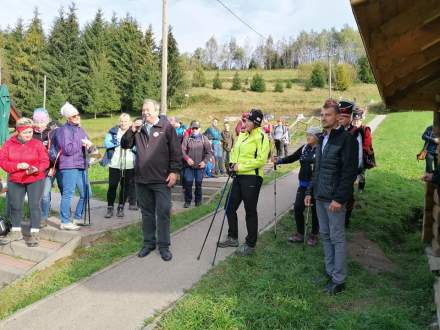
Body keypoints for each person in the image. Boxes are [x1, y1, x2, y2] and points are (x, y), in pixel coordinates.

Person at [305, 99, 358, 295]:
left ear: (338, 117)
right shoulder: (322, 139)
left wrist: (339, 198)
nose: (323, 118)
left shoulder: (347, 140)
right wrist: (310, 191)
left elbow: (349, 172)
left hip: (334, 199)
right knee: (325, 236)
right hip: (320, 196)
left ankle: (339, 279)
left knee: (337, 238)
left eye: (327, 115)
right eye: (322, 115)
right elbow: (317, 169)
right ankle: (330, 272)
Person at [121, 99, 181, 261]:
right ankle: (148, 243)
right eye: (143, 110)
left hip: (161, 179)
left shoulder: (166, 127)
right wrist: (131, 131)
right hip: (142, 179)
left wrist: (174, 172)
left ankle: (164, 246)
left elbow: (176, 151)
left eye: (148, 110)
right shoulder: (138, 129)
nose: (145, 112)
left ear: (156, 111)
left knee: (163, 212)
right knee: (147, 213)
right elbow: (125, 145)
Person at [218, 108, 270, 256]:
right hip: (239, 176)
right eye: (244, 120)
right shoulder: (242, 134)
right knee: (229, 206)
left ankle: (250, 243)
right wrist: (231, 165)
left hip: (252, 177)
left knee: (250, 210)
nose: (244, 123)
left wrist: (240, 166)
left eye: (247, 121)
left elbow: (261, 160)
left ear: (255, 123)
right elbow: (235, 151)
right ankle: (233, 237)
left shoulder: (261, 136)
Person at [0, 118, 49, 246]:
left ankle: (34, 233)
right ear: (18, 132)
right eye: (26, 132)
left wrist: (37, 168)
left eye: (31, 132)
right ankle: (16, 232)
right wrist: (17, 166)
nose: (29, 135)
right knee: (15, 206)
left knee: (34, 205)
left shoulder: (37, 144)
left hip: (35, 178)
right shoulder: (8, 144)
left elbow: (45, 161)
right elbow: (3, 161)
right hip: (15, 179)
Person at [277, 126, 321, 246]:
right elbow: (293, 157)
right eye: (307, 135)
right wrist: (280, 161)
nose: (308, 137)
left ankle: (314, 235)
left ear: (317, 137)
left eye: (310, 135)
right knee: (298, 208)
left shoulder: (321, 150)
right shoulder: (305, 148)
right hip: (303, 184)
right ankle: (300, 233)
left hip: (316, 186)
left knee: (315, 211)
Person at [56, 102, 94, 231]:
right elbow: (67, 149)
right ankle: (64, 221)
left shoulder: (80, 129)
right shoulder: (63, 130)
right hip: (69, 165)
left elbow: (87, 146)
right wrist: (82, 144)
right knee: (68, 193)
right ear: (68, 118)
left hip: (81, 164)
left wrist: (89, 146)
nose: (77, 117)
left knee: (87, 193)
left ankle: (77, 217)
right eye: (73, 116)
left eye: (78, 115)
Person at [32, 108, 63, 228]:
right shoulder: (32, 134)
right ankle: (44, 217)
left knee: (64, 189)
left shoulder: (53, 131)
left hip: (58, 166)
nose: (39, 125)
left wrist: (53, 166)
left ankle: (65, 212)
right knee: (44, 194)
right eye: (37, 122)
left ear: (47, 121)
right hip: (44, 169)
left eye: (42, 122)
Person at [102, 113, 136, 218]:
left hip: (129, 164)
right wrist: (119, 143)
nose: (123, 123)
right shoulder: (113, 131)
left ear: (130, 122)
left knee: (125, 187)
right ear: (119, 122)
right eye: (121, 121)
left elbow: (138, 146)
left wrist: (133, 147)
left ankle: (121, 208)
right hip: (115, 163)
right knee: (112, 186)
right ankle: (110, 208)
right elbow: (107, 143)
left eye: (126, 121)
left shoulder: (134, 132)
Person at [181, 121, 212, 208]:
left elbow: (209, 152)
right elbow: (182, 151)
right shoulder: (187, 138)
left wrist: (204, 162)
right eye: (193, 128)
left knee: (198, 184)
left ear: (200, 129)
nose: (194, 130)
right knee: (188, 184)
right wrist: (187, 159)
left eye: (196, 128)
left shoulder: (204, 138)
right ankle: (187, 201)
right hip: (189, 166)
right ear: (191, 129)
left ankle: (198, 202)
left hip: (199, 167)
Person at [352, 107, 375, 192]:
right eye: (354, 121)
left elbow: (367, 143)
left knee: (361, 173)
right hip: (351, 155)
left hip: (362, 155)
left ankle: (361, 188)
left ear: (361, 121)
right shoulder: (349, 130)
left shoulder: (365, 130)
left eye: (358, 121)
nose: (356, 123)